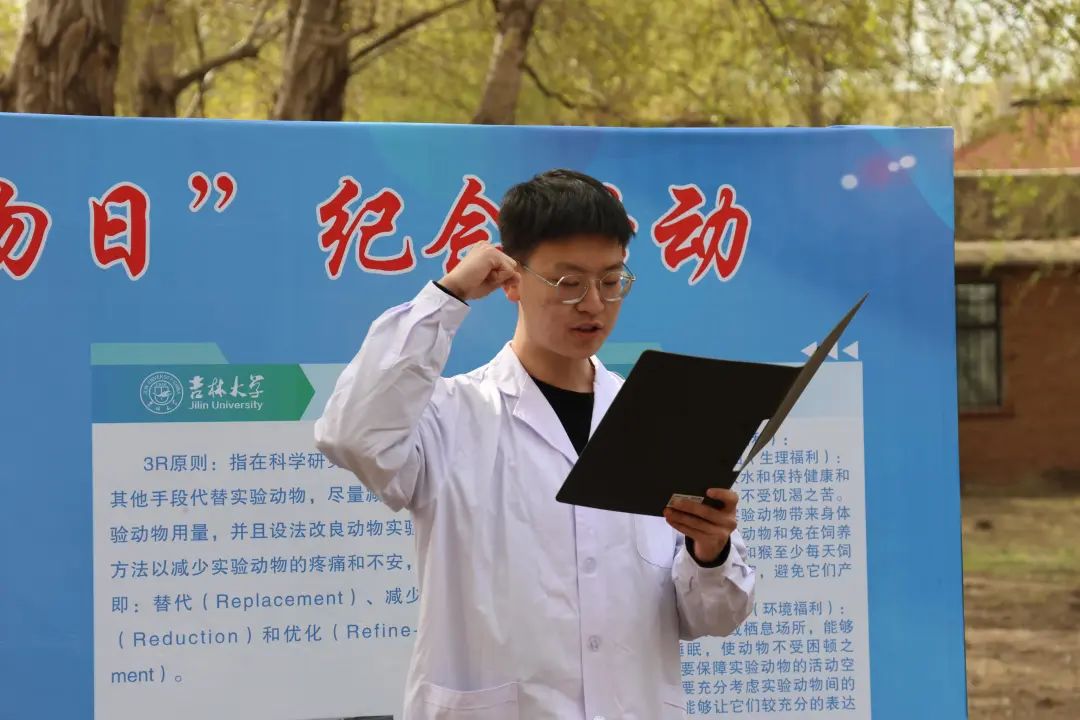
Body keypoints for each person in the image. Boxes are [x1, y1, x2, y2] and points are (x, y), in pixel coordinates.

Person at [315, 169, 755, 719]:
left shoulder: (659, 420)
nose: (593, 304)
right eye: (569, 283)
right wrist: (447, 297)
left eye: (611, 281)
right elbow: (351, 434)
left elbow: (713, 616)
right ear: (511, 280)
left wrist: (709, 551)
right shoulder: (452, 414)